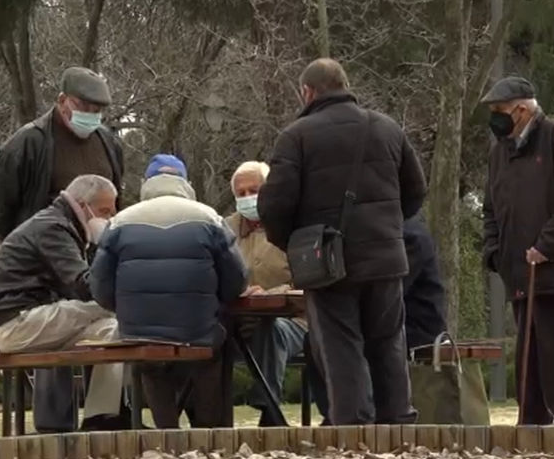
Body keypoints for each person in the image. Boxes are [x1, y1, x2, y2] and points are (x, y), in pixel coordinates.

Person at [258, 57, 427, 426]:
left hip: (327, 262)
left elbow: (275, 205)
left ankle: (354, 428)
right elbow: (416, 191)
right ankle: (398, 423)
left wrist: (296, 244)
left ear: (308, 91)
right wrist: (387, 226)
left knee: (340, 345)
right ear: (345, 85)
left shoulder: (297, 136)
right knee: (388, 343)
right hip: (385, 257)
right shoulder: (387, 128)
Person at [0, 66, 125, 433]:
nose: (91, 114)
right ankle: (53, 426)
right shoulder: (29, 142)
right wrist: (29, 245)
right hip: (42, 268)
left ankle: (103, 418)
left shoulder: (107, 143)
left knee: (111, 328)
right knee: (76, 318)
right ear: (62, 102)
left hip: (83, 252)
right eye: (84, 105)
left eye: (98, 108)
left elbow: (113, 198)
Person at [90, 156, 248, 429]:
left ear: (145, 184)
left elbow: (101, 291)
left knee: (150, 361)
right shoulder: (210, 218)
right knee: (214, 349)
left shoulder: (118, 224)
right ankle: (210, 432)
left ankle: (166, 430)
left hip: (139, 333)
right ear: (185, 184)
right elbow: (236, 283)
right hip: (198, 331)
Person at [480, 75, 554, 426]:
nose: (495, 118)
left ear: (523, 110)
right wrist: (494, 251)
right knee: (527, 353)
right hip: (516, 269)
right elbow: (490, 209)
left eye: (500, 111)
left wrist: (546, 245)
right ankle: (532, 423)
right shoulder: (500, 152)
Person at [0, 174, 124, 430]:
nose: (109, 219)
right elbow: (84, 285)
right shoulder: (53, 228)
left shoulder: (63, 225)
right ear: (82, 205)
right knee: (113, 308)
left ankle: (101, 418)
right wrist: (114, 257)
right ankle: (98, 418)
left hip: (33, 320)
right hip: (18, 322)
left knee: (113, 332)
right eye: (105, 211)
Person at [226, 160, 330, 426]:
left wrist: (272, 293)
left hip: (294, 320)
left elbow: (309, 280)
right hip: (237, 320)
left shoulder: (293, 227)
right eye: (242, 193)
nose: (248, 197)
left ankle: (269, 410)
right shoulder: (224, 230)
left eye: (255, 190)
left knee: (271, 331)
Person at [401, 213, 447, 351]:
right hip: (411, 329)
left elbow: (390, 292)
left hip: (419, 333)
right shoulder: (409, 229)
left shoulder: (410, 235)